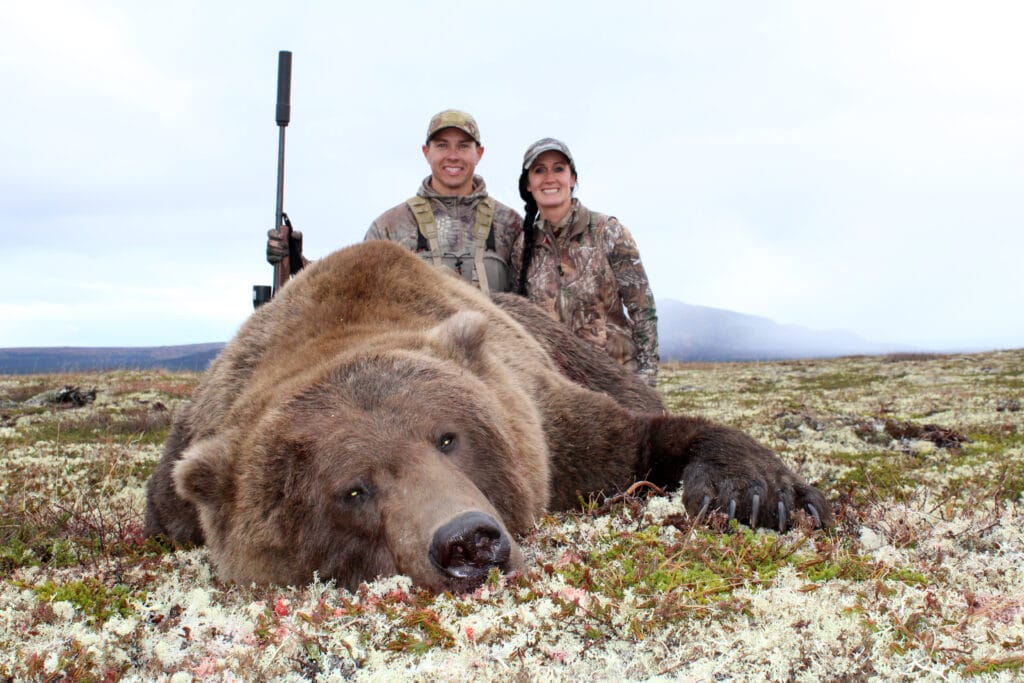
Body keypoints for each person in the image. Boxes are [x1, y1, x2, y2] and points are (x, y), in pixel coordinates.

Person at [269, 110, 523, 294]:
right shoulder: (391, 226)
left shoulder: (509, 225)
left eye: (463, 146)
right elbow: (353, 283)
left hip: (496, 361)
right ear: (427, 152)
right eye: (442, 145)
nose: (453, 156)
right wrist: (296, 262)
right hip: (418, 361)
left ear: (479, 153)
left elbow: (534, 297)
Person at [510, 138, 659, 386]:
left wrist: (647, 378)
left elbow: (642, 308)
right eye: (539, 170)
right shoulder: (523, 246)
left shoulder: (608, 232)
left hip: (617, 381)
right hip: (558, 389)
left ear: (573, 179)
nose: (549, 177)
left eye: (558, 168)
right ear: (528, 184)